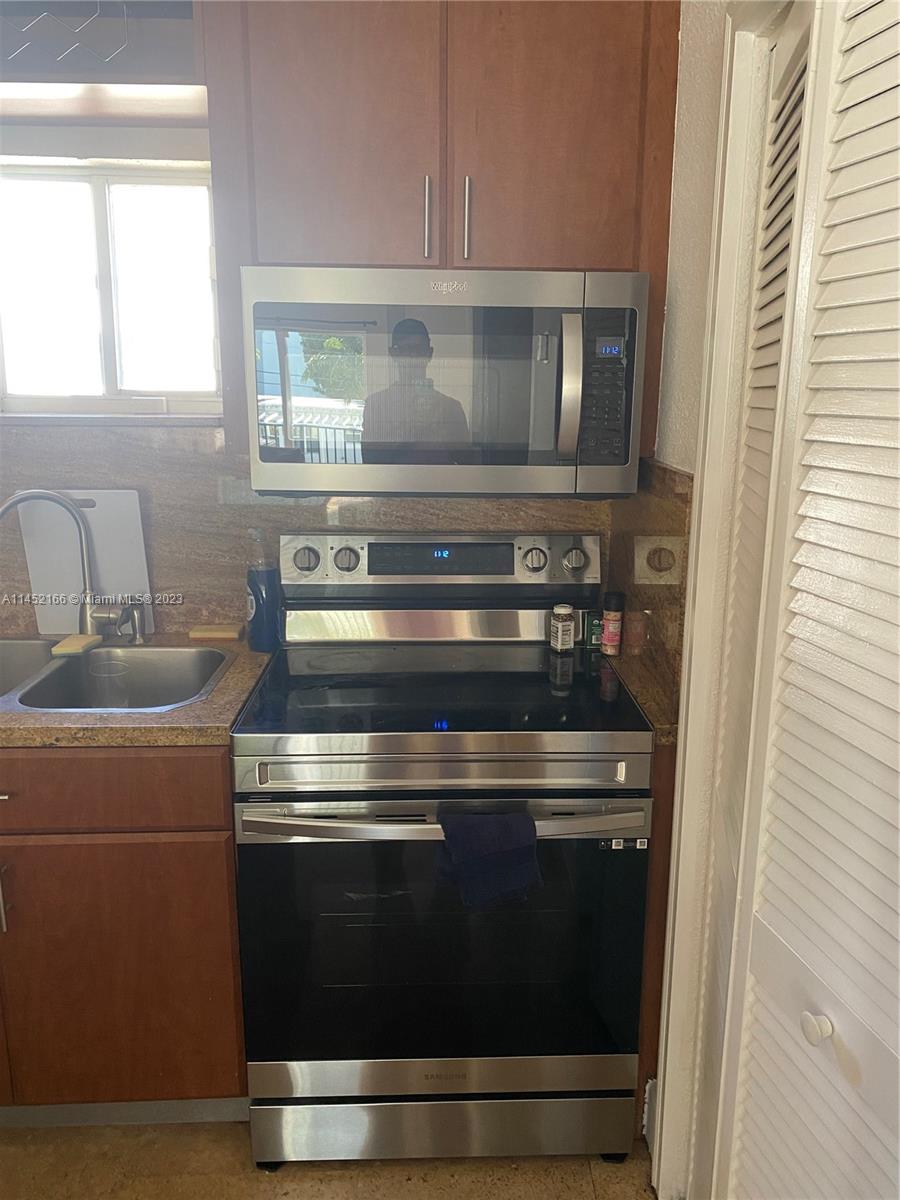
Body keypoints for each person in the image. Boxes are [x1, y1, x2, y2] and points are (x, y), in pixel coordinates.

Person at [362, 319, 469, 459]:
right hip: (394, 480)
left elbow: (465, 464)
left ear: (429, 353)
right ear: (393, 353)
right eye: (405, 349)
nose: (412, 356)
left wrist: (436, 433)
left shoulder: (451, 408)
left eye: (418, 349)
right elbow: (370, 461)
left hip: (439, 480)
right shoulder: (375, 405)